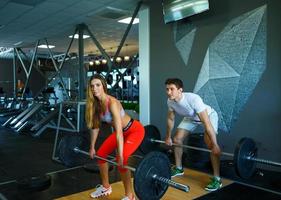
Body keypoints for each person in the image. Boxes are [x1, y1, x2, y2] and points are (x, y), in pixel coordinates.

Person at [85, 74, 145, 200]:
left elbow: (118, 132)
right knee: (100, 154)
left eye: (97, 85)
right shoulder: (95, 104)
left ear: (103, 86)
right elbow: (95, 127)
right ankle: (106, 187)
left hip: (134, 130)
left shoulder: (112, 103)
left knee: (121, 160)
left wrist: (121, 155)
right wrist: (92, 147)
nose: (94, 88)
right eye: (92, 86)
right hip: (121, 132)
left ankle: (130, 196)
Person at [164, 78, 222, 191]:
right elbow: (170, 119)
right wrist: (168, 136)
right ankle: (179, 168)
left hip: (208, 116)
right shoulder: (170, 101)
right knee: (177, 139)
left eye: (172, 89)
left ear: (180, 90)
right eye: (167, 89)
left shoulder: (193, 99)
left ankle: (217, 179)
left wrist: (215, 144)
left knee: (210, 144)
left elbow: (206, 122)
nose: (168, 92)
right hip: (190, 118)